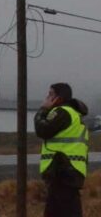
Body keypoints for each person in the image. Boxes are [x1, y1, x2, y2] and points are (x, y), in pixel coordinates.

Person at [34, 82, 90, 217]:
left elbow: (43, 129)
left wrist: (42, 110)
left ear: (59, 98)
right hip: (71, 171)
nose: (47, 98)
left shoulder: (62, 112)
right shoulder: (75, 115)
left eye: (50, 94)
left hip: (62, 170)